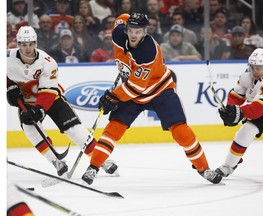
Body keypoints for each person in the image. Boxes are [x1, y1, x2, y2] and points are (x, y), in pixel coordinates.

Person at [81, 13, 222, 185]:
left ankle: (204, 169)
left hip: (160, 90)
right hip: (133, 91)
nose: (133, 35)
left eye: (138, 32)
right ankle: (93, 166)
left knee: (181, 131)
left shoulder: (148, 51)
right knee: (114, 128)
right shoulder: (118, 34)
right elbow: (122, 17)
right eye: (131, 30)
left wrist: (113, 96)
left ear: (145, 32)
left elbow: (137, 88)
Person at [7, 26, 118, 177]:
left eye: (31, 44)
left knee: (74, 130)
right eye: (24, 44)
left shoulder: (47, 62)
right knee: (31, 130)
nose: (28, 48)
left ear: (36, 43)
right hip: (26, 101)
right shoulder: (7, 58)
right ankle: (56, 161)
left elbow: (48, 92)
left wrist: (39, 109)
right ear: (18, 44)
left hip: (52, 98)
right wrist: (9, 86)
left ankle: (102, 160)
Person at [215, 48, 263, 178]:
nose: (255, 71)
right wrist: (230, 110)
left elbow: (258, 108)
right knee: (246, 131)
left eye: (259, 68)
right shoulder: (247, 74)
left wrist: (239, 113)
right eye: (253, 67)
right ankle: (228, 166)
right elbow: (236, 95)